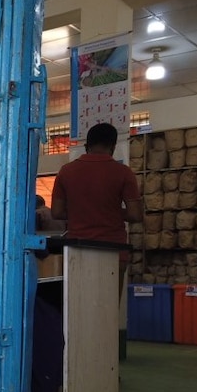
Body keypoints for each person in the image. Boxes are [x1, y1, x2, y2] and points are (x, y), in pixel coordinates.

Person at [51, 122, 143, 298]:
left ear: (87, 146)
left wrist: (82, 211)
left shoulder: (66, 171)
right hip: (114, 251)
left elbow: (56, 212)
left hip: (78, 250)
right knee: (108, 312)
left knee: (79, 308)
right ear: (113, 147)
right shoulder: (123, 173)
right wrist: (111, 212)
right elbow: (135, 214)